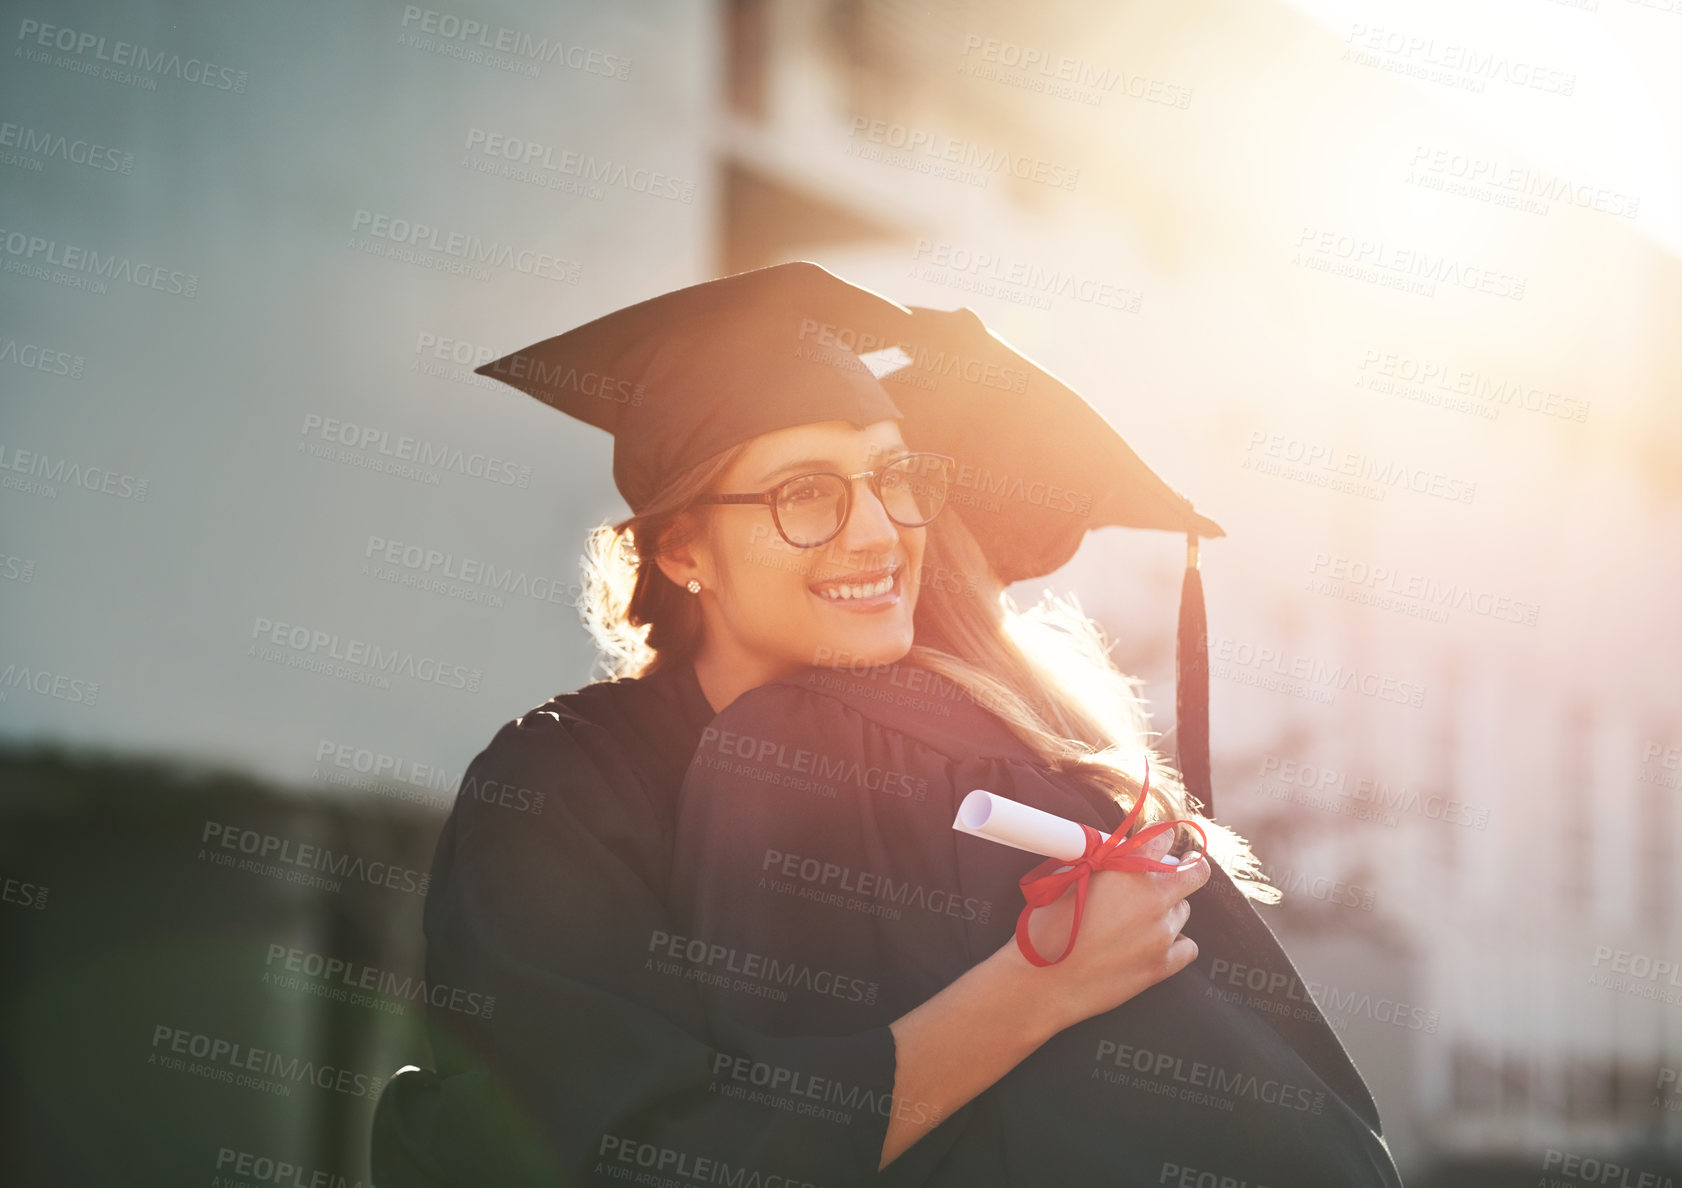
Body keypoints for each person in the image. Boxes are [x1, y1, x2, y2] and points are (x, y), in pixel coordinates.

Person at [370, 263, 1404, 1186]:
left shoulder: (942, 780)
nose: (878, 532)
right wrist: (1036, 990)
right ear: (681, 550)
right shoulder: (558, 792)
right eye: (805, 494)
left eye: (896, 475)